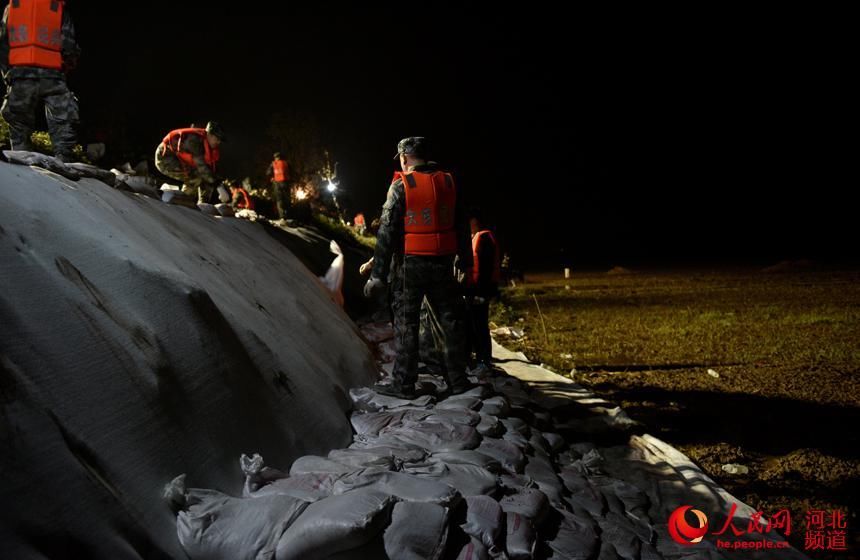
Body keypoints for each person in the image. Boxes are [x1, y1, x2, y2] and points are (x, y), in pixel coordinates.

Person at [364, 137, 473, 397]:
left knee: (406, 324)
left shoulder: (402, 185)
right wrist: (465, 261)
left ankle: (403, 384)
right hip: (444, 262)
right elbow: (461, 225)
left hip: (410, 265)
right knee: (449, 321)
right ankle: (457, 380)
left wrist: (378, 275)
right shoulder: (449, 182)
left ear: (404, 157)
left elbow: (387, 233)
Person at [0, 0, 80, 161]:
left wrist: (7, 75)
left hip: (20, 73)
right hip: (52, 73)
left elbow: (3, 43)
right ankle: (64, 159)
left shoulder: (13, 7)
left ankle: (19, 156)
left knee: (18, 119)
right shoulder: (57, 8)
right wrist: (65, 68)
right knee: (62, 117)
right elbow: (69, 45)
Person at [154, 121, 227, 208]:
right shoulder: (194, 140)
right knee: (195, 178)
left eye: (220, 140)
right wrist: (218, 185)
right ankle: (180, 201)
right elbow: (201, 167)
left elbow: (210, 172)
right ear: (209, 134)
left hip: (180, 161)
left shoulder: (210, 149)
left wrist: (218, 183)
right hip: (165, 158)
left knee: (208, 180)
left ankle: (202, 206)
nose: (218, 142)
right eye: (217, 138)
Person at [466, 209, 501, 375]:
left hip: (481, 291)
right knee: (475, 325)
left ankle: (484, 360)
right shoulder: (476, 238)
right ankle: (479, 358)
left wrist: (481, 293)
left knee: (480, 326)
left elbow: (485, 269)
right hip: (475, 290)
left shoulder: (484, 238)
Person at [266, 152, 290, 220]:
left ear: (275, 158)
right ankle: (288, 215)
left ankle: (282, 217)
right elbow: (292, 172)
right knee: (286, 199)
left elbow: (268, 172)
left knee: (279, 200)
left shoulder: (273, 164)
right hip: (285, 183)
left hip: (277, 184)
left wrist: (272, 177)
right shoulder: (286, 163)